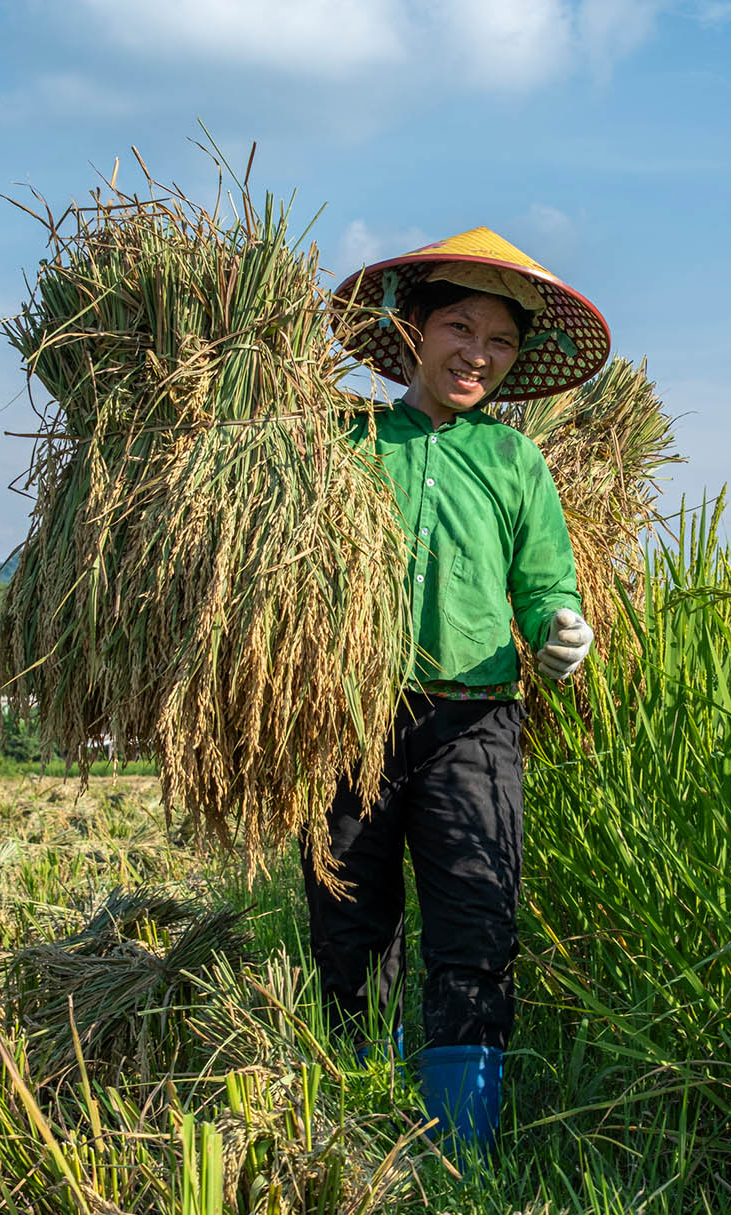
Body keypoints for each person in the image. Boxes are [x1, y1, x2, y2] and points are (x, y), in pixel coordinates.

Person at [318, 227, 612, 1154]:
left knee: (476, 921)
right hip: (352, 717)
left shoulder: (515, 463)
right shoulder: (343, 443)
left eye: (500, 340)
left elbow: (546, 582)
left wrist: (563, 629)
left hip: (476, 720)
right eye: (459, 326)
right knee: (348, 922)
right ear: (410, 329)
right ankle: (360, 1117)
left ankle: (460, 1150)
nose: (477, 353)